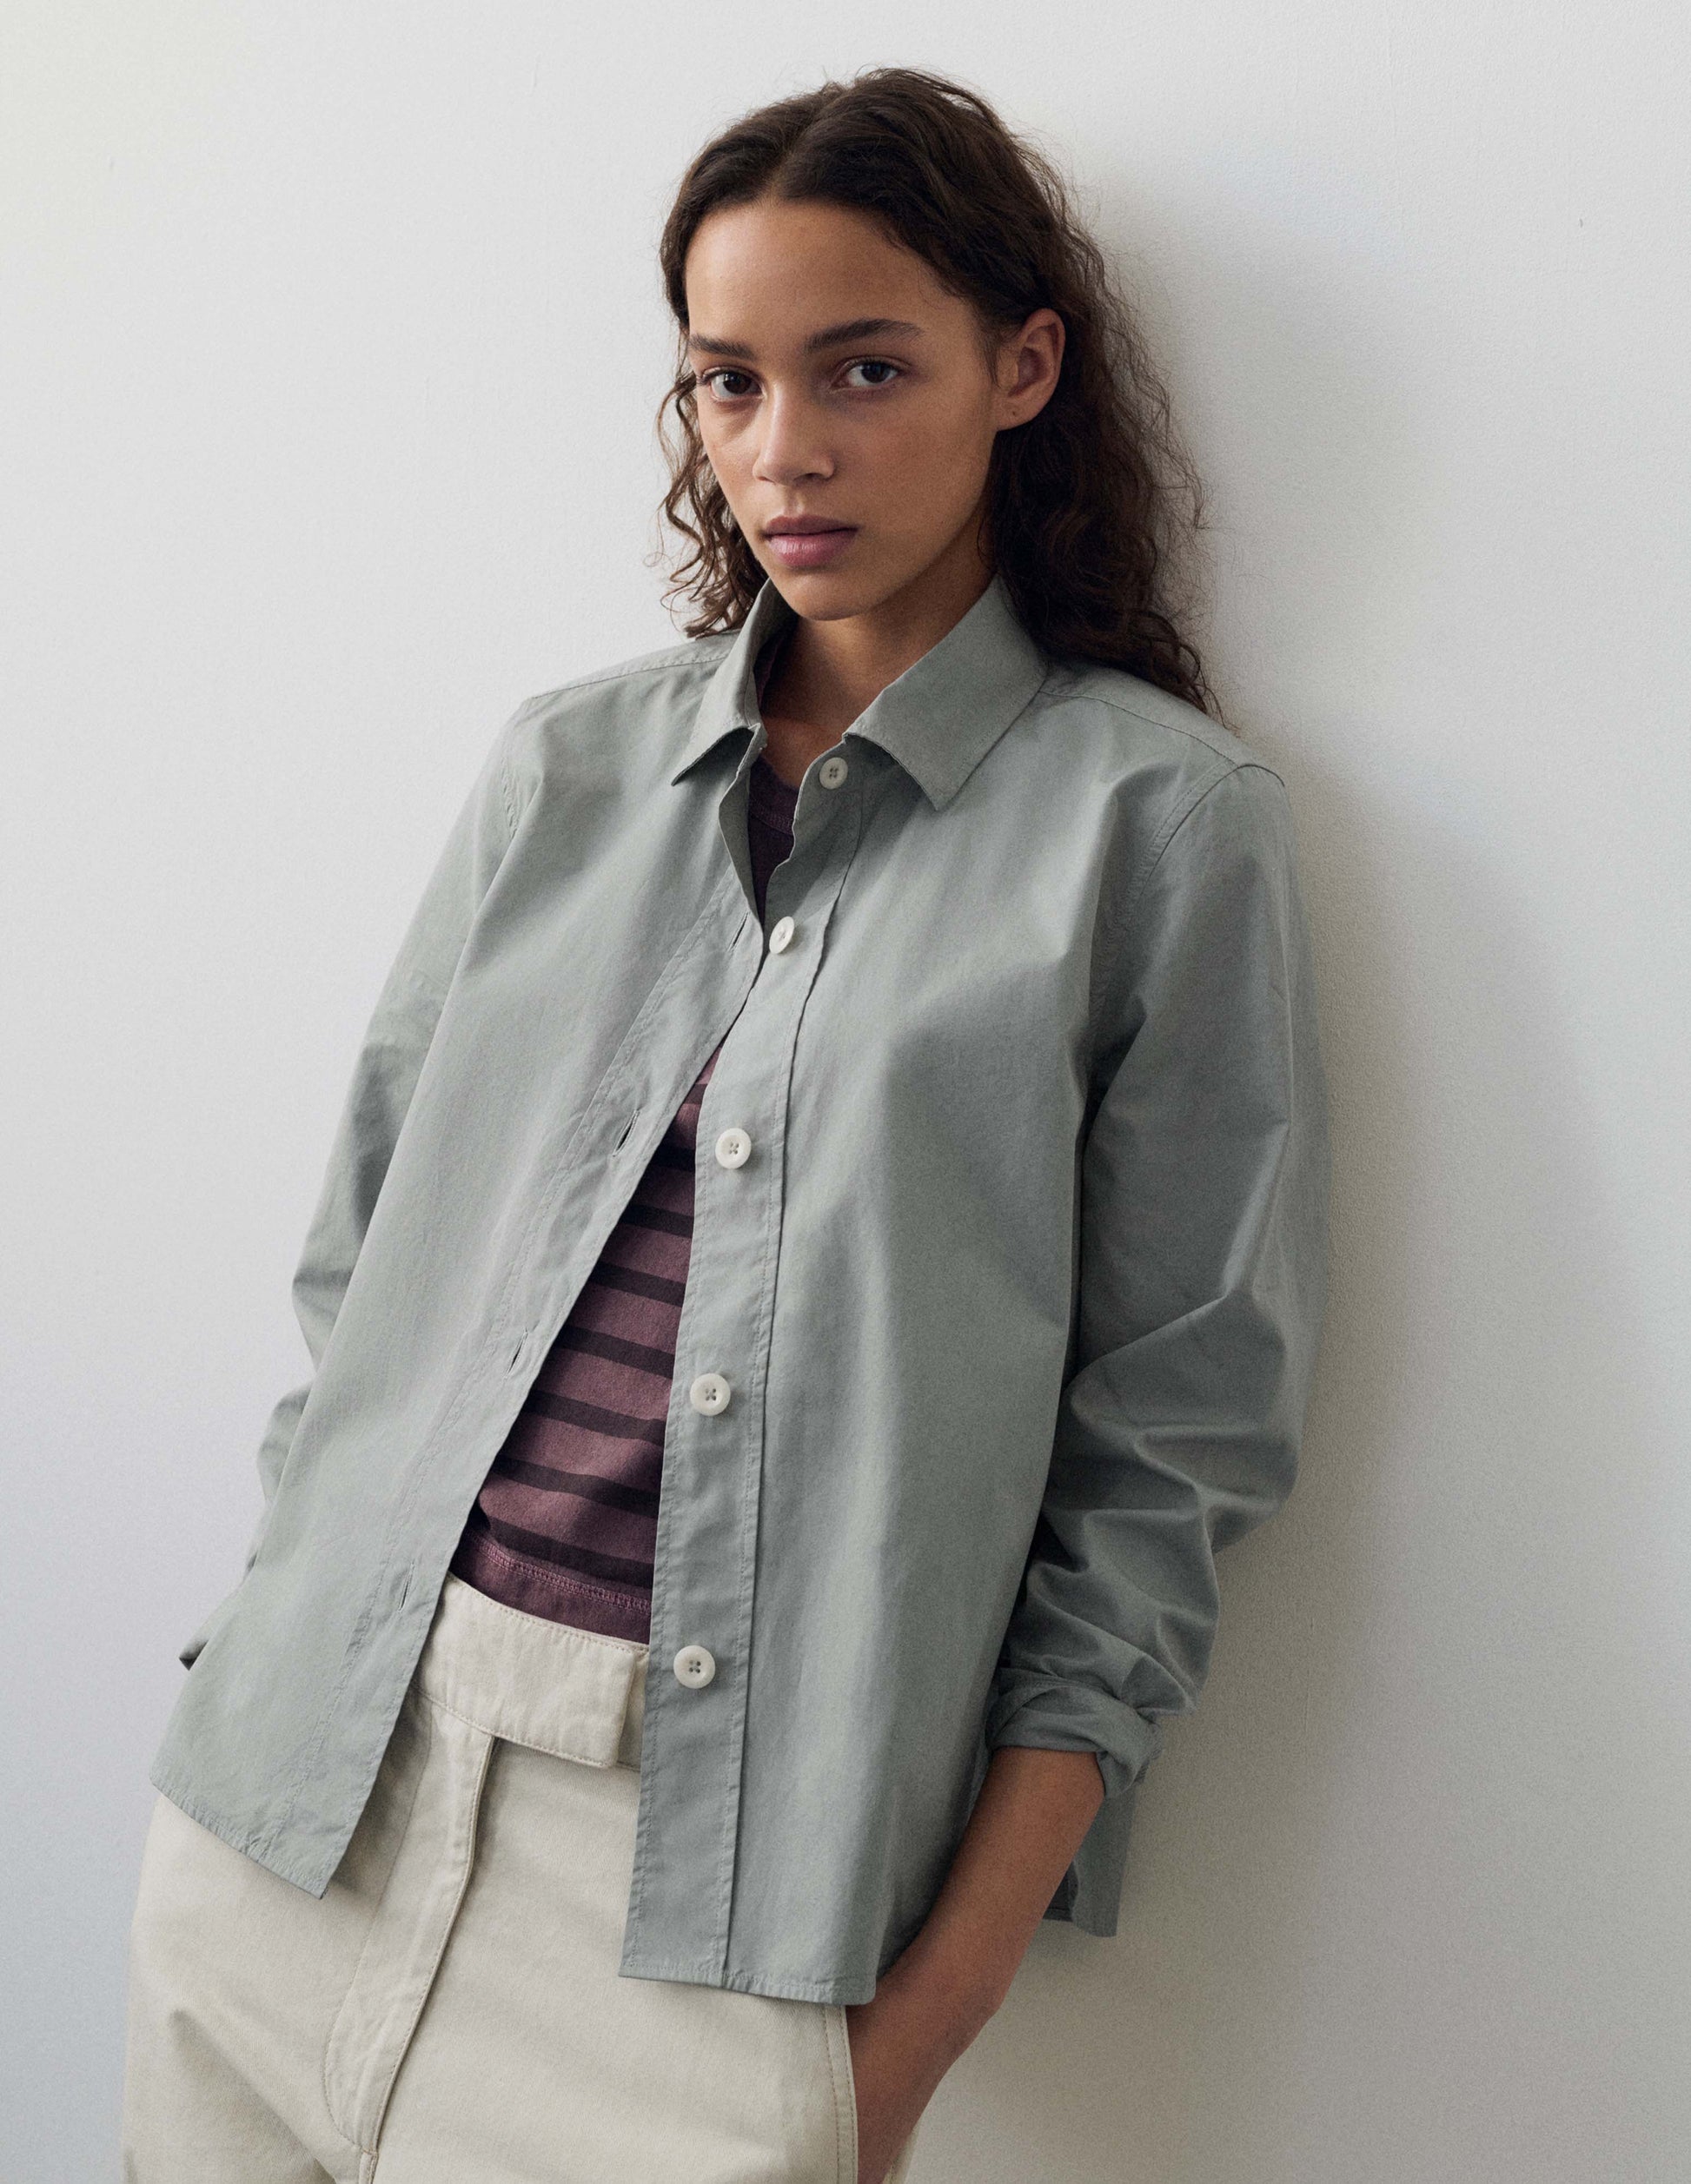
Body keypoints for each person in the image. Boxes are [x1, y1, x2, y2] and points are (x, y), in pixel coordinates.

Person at [122, 64, 1330, 2184]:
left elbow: (1168, 1458)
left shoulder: (1158, 827)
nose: (785, 450)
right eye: (727, 381)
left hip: (708, 1921)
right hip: (298, 1810)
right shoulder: (566, 771)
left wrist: (913, 2032)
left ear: (1021, 367)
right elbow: (364, 1270)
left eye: (864, 369)